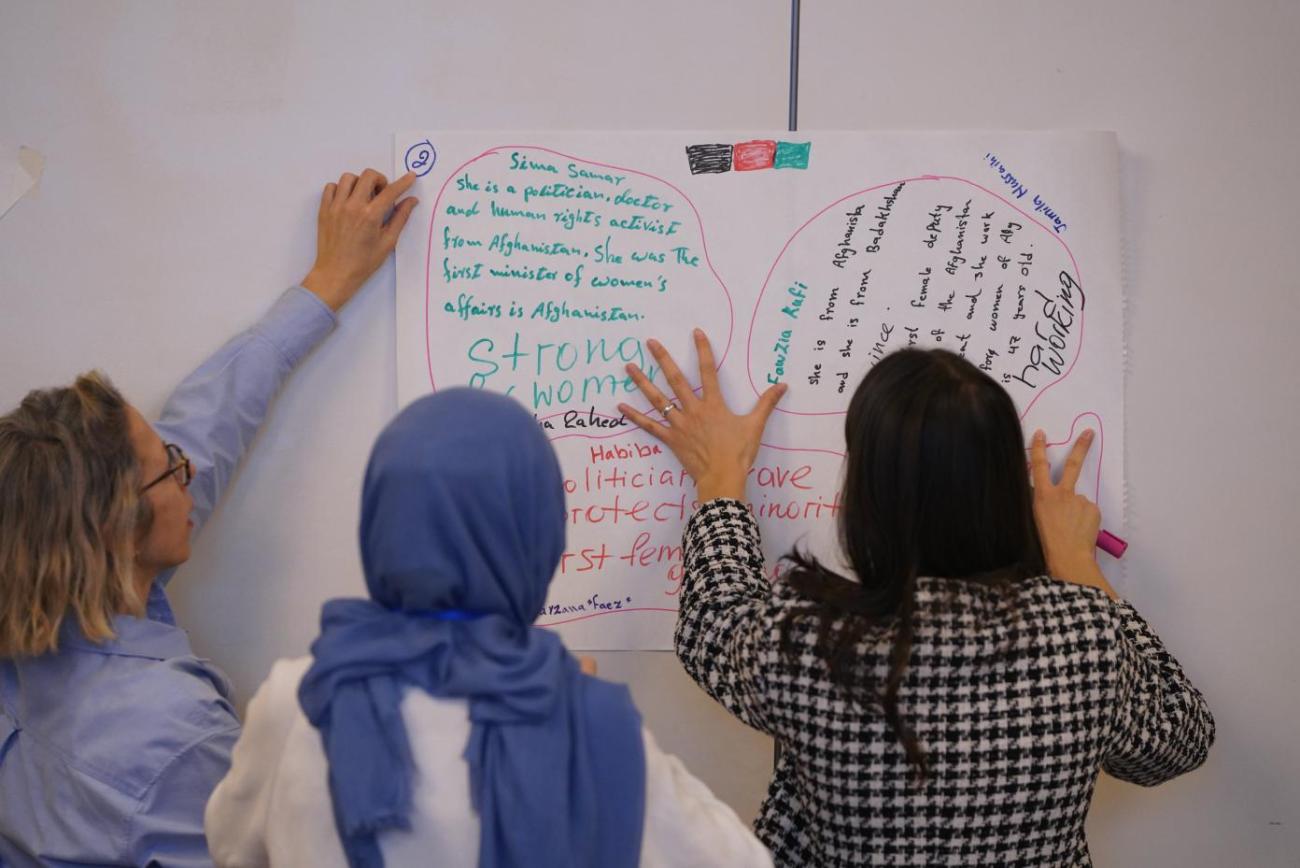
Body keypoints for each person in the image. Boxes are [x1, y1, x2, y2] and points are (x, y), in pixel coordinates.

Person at [615, 331, 1215, 867]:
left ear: (865, 497)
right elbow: (1176, 741)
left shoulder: (810, 641)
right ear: (1007, 487)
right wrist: (1078, 566)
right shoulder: (1085, 636)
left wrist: (719, 479)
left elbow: (714, 622)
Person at [0, 169, 419, 866]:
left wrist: (325, 284)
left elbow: (206, 423)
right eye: (168, 466)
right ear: (115, 531)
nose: (188, 467)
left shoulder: (41, 601)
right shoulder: (171, 738)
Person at [203, 388, 772, 868]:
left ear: (379, 521)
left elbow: (230, 846)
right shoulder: (590, 723)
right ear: (541, 536)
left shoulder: (298, 700)